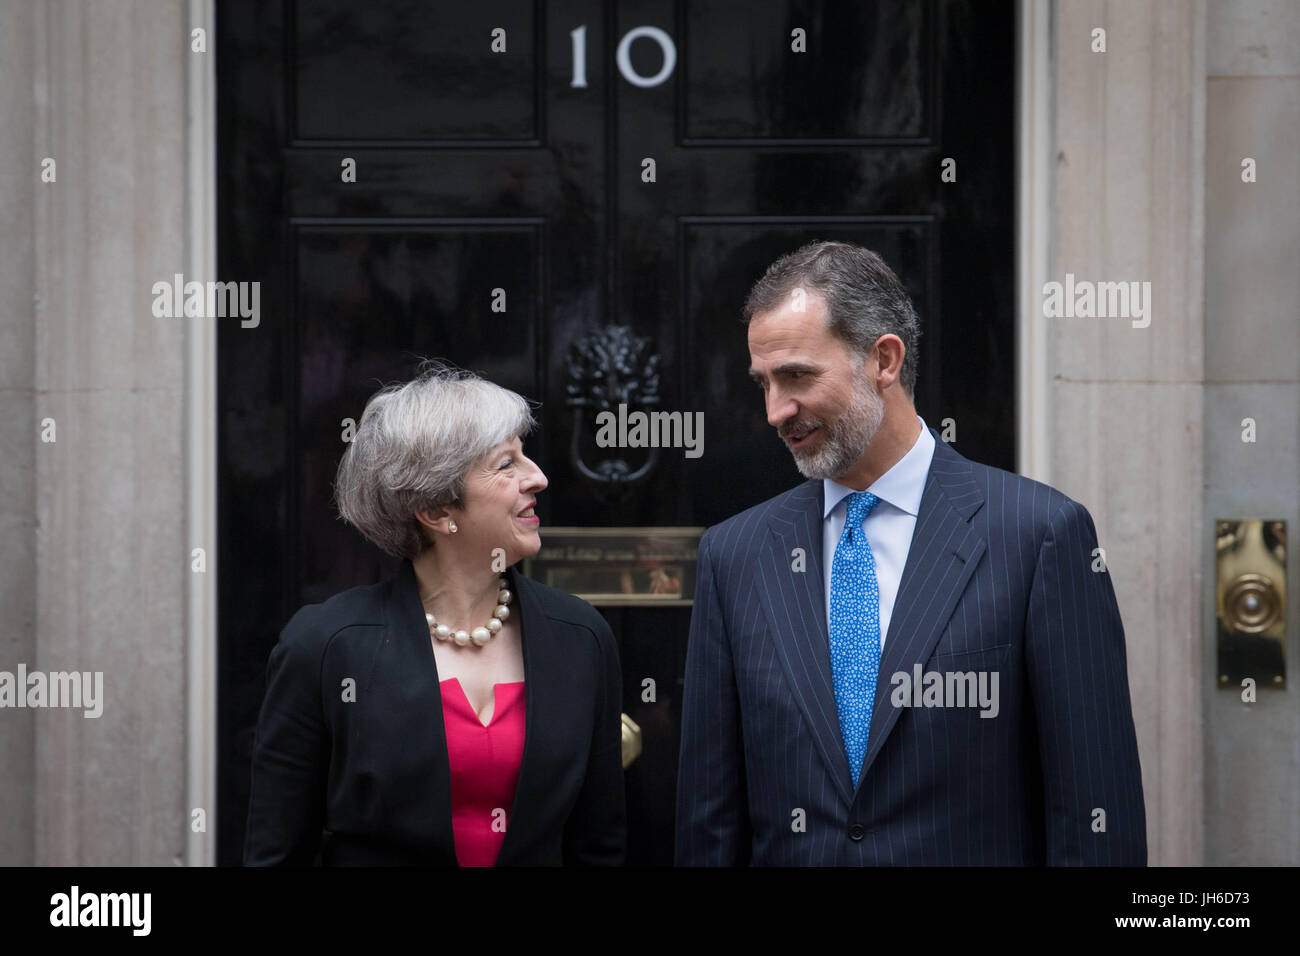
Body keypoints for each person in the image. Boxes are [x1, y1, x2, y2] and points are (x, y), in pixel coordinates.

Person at [675, 242, 1146, 865]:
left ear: (884, 360)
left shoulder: (1040, 536)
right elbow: (711, 821)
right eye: (764, 383)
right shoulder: (734, 556)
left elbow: (1096, 820)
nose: (775, 411)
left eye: (796, 376)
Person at [244, 361, 625, 866]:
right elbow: (277, 854)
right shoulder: (325, 647)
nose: (539, 477)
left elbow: (598, 847)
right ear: (437, 510)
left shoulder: (580, 637)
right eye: (506, 464)